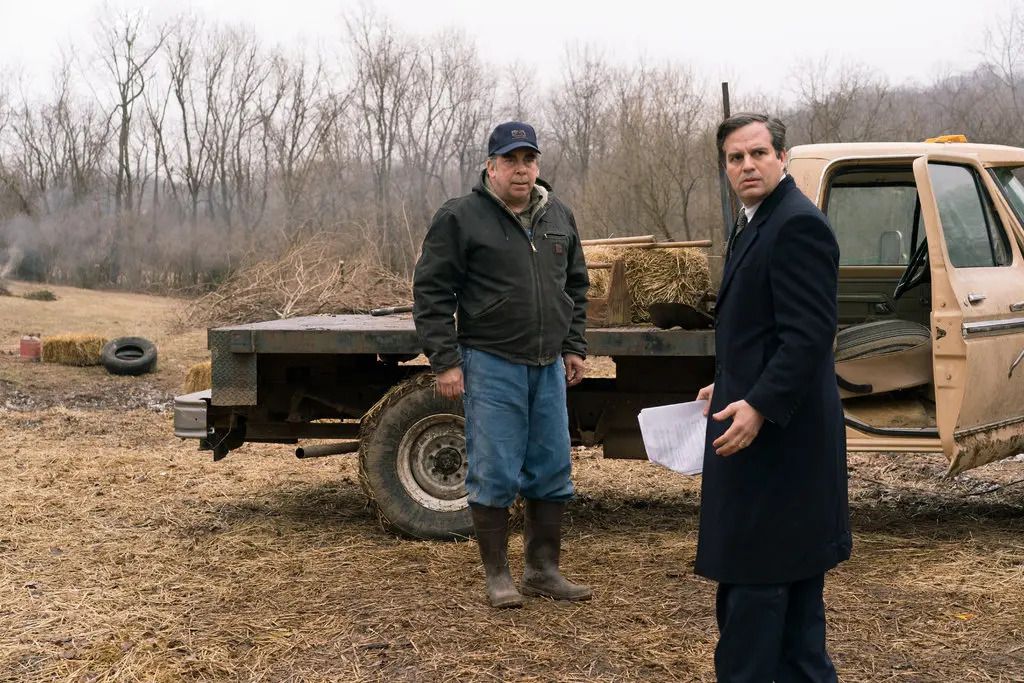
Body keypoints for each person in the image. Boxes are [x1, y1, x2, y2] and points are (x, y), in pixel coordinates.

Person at [694, 113, 852, 681]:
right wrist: (733, 382)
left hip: (785, 448)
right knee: (790, 615)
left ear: (781, 157)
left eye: (758, 153)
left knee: (760, 602)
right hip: (771, 440)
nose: (747, 165)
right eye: (735, 158)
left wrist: (758, 403)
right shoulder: (755, 220)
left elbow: (808, 334)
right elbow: (765, 328)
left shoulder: (796, 224)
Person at [412, 121, 591, 608]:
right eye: (510, 160)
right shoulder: (461, 217)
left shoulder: (559, 216)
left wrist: (573, 345)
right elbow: (431, 291)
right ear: (490, 167)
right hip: (490, 362)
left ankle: (543, 570)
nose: (521, 170)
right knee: (494, 471)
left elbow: (575, 286)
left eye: (528, 160)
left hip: (549, 364)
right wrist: (445, 359)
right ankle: (498, 576)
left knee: (552, 468)